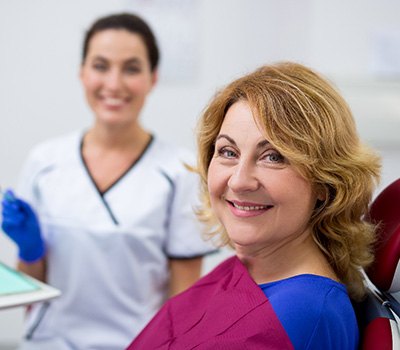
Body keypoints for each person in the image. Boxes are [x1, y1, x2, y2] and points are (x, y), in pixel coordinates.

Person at [126, 62, 381, 349]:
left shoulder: (304, 314)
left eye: (273, 157)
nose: (239, 181)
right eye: (228, 152)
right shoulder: (248, 269)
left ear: (325, 182)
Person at [1, 13, 214, 350]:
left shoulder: (179, 171)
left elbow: (184, 298)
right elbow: (30, 291)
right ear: (82, 73)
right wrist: (30, 249)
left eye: (131, 68)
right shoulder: (44, 162)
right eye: (100, 66)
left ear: (153, 78)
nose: (114, 84)